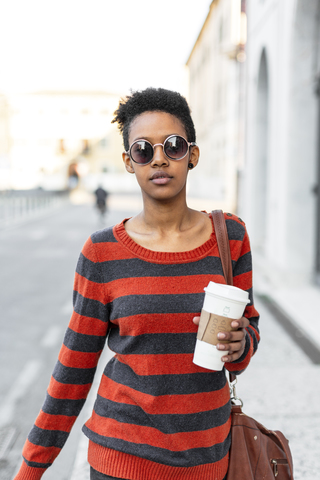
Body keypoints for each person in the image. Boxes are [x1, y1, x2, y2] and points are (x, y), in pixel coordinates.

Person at [14, 88, 260, 480]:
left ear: (192, 155)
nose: (159, 158)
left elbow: (247, 340)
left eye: (173, 146)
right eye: (144, 150)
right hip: (119, 460)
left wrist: (240, 343)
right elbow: (75, 367)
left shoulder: (230, 237)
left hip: (208, 459)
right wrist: (31, 468)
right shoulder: (102, 253)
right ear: (130, 163)